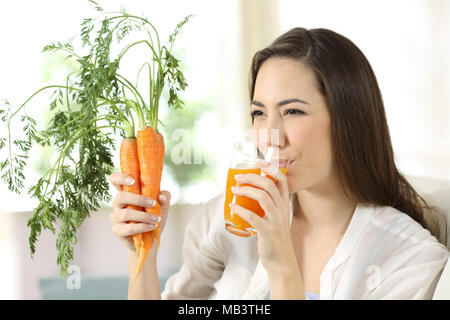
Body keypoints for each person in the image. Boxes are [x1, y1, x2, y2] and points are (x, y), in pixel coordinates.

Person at [109, 27, 449, 300]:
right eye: (259, 113)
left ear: (349, 120)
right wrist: (143, 251)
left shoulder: (410, 260)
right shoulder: (230, 217)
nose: (269, 137)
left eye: (292, 112)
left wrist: (282, 265)